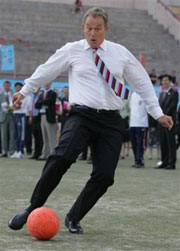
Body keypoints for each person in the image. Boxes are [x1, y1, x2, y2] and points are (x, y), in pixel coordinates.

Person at [8, 7, 173, 234]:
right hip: (81, 116)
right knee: (61, 157)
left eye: (97, 29)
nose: (92, 33)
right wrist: (25, 91)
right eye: (88, 28)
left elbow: (142, 83)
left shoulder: (120, 53)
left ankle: (74, 217)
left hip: (111, 121)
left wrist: (158, 113)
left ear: (106, 29)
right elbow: (47, 70)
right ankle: (31, 208)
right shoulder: (72, 50)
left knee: (105, 176)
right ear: (83, 28)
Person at [156, 75, 179, 170]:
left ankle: (171, 163)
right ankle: (164, 162)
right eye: (162, 81)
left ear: (170, 81)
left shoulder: (174, 93)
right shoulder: (161, 94)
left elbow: (172, 107)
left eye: (166, 80)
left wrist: (164, 116)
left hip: (170, 122)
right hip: (161, 122)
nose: (164, 82)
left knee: (170, 143)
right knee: (163, 142)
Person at [35, 82, 57, 160]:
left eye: (48, 83)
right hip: (42, 116)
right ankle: (45, 153)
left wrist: (42, 102)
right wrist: (43, 102)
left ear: (50, 84)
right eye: (45, 84)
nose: (46, 85)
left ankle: (52, 154)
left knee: (51, 136)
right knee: (44, 136)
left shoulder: (53, 93)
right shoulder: (41, 94)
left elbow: (49, 101)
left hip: (49, 116)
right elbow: (36, 105)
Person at [10, 82, 31, 159]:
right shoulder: (14, 95)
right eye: (16, 87)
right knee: (15, 134)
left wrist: (16, 106)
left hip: (22, 115)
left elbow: (21, 107)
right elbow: (11, 107)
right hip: (15, 115)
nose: (18, 88)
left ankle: (21, 152)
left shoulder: (26, 97)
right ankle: (17, 150)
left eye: (19, 87)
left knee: (21, 135)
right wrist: (14, 106)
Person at [129, 92, 148, 168]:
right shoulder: (132, 95)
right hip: (132, 123)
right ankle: (136, 160)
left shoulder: (145, 94)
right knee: (134, 144)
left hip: (142, 123)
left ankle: (140, 160)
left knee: (141, 143)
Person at [0, 80, 15, 157]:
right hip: (3, 117)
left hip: (11, 116)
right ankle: (4, 151)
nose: (6, 87)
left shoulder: (13, 94)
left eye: (8, 86)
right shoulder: (1, 95)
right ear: (3, 86)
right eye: (5, 85)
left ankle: (11, 151)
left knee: (12, 135)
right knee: (3, 135)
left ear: (10, 86)